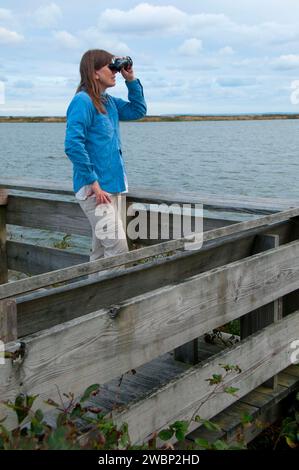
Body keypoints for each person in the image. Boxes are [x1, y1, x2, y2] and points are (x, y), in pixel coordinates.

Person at [65, 49, 147, 262]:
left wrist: (131, 80)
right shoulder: (83, 101)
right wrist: (93, 183)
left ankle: (94, 294)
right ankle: (114, 295)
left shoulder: (109, 102)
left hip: (114, 185)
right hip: (96, 191)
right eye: (111, 67)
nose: (115, 72)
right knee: (118, 250)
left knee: (101, 252)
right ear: (94, 73)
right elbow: (73, 145)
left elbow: (138, 110)